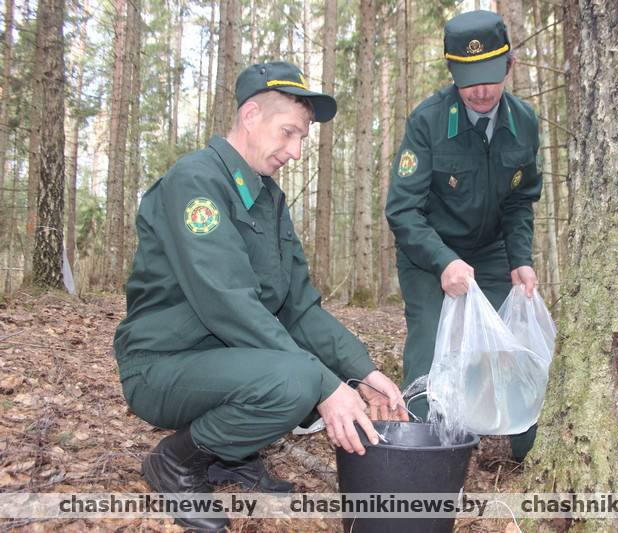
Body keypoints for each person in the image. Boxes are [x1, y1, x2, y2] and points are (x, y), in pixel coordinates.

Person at [114, 60, 407, 532]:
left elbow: (299, 306)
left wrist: (362, 371)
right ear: (250, 115)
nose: (294, 152)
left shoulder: (268, 198)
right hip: (162, 365)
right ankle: (176, 462)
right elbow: (226, 301)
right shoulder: (196, 181)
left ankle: (227, 458)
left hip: (225, 362)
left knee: (313, 375)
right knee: (297, 380)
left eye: (301, 140)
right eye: (287, 133)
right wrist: (326, 385)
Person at [385, 10, 542, 462]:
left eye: (490, 76)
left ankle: (524, 455)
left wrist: (521, 258)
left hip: (492, 251)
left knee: (505, 352)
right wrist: (442, 261)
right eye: (469, 77)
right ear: (452, 72)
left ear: (509, 66)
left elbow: (519, 200)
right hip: (428, 252)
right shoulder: (429, 121)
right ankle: (425, 458)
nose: (480, 90)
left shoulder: (524, 123)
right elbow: (402, 209)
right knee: (431, 350)